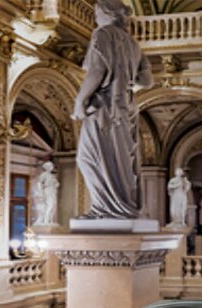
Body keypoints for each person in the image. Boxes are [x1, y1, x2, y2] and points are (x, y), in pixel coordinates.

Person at [72, 0, 153, 219]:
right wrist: (124, 84)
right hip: (125, 106)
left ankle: (105, 210)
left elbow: (97, 70)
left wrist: (80, 101)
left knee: (88, 158)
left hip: (103, 107)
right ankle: (119, 207)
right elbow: (146, 81)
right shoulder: (133, 44)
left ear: (106, 13)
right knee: (120, 157)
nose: (95, 16)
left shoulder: (103, 34)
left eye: (97, 11)